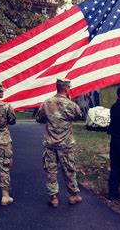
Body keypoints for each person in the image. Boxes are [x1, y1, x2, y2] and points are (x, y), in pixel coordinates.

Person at [36, 78, 83, 207]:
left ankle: (53, 197)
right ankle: (73, 195)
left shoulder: (47, 103)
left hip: (50, 143)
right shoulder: (70, 104)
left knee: (50, 170)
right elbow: (80, 115)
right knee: (69, 169)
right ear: (67, 88)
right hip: (65, 144)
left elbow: (39, 118)